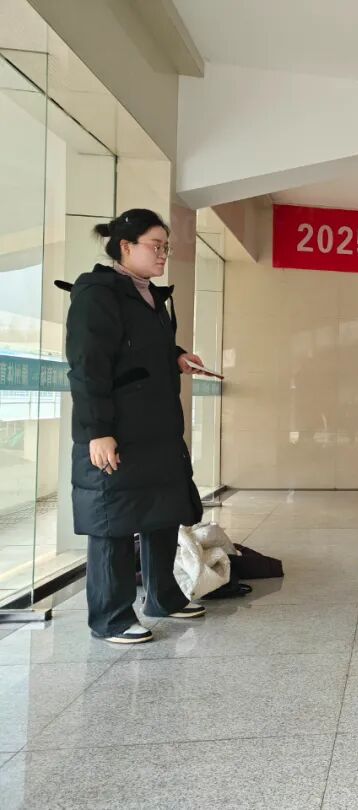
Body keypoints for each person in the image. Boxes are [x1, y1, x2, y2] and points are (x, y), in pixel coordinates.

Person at [65, 209, 207, 644]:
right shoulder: (97, 294)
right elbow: (88, 367)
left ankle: (164, 597)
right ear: (125, 247)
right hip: (118, 430)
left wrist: (176, 356)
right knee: (113, 520)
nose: (163, 254)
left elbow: (141, 349)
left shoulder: (149, 295)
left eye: (167, 247)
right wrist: (97, 430)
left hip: (156, 429)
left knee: (162, 512)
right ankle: (110, 617)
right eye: (156, 246)